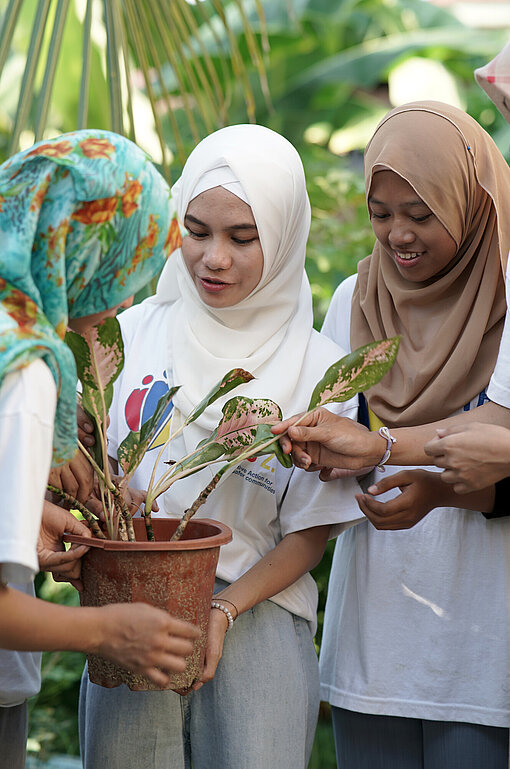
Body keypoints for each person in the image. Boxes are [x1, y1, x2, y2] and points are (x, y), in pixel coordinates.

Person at [78, 123, 363, 769]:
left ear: (286, 236)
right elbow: (91, 473)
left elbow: (308, 534)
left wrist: (225, 610)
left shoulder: (319, 367)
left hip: (258, 615)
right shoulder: (127, 336)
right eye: (197, 230)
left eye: (243, 237)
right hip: (130, 611)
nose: (214, 258)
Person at [275, 102, 510, 768]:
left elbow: (495, 439)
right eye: (382, 213)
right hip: (374, 635)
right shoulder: (356, 295)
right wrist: (296, 436)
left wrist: (379, 447)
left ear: (467, 201)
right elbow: (332, 433)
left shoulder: (507, 291)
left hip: (482, 637)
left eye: (421, 213)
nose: (398, 235)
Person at [0, 130, 200, 769]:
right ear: (86, 255)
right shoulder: (25, 373)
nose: (127, 301)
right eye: (128, 268)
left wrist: (29, 514)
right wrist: (111, 630)